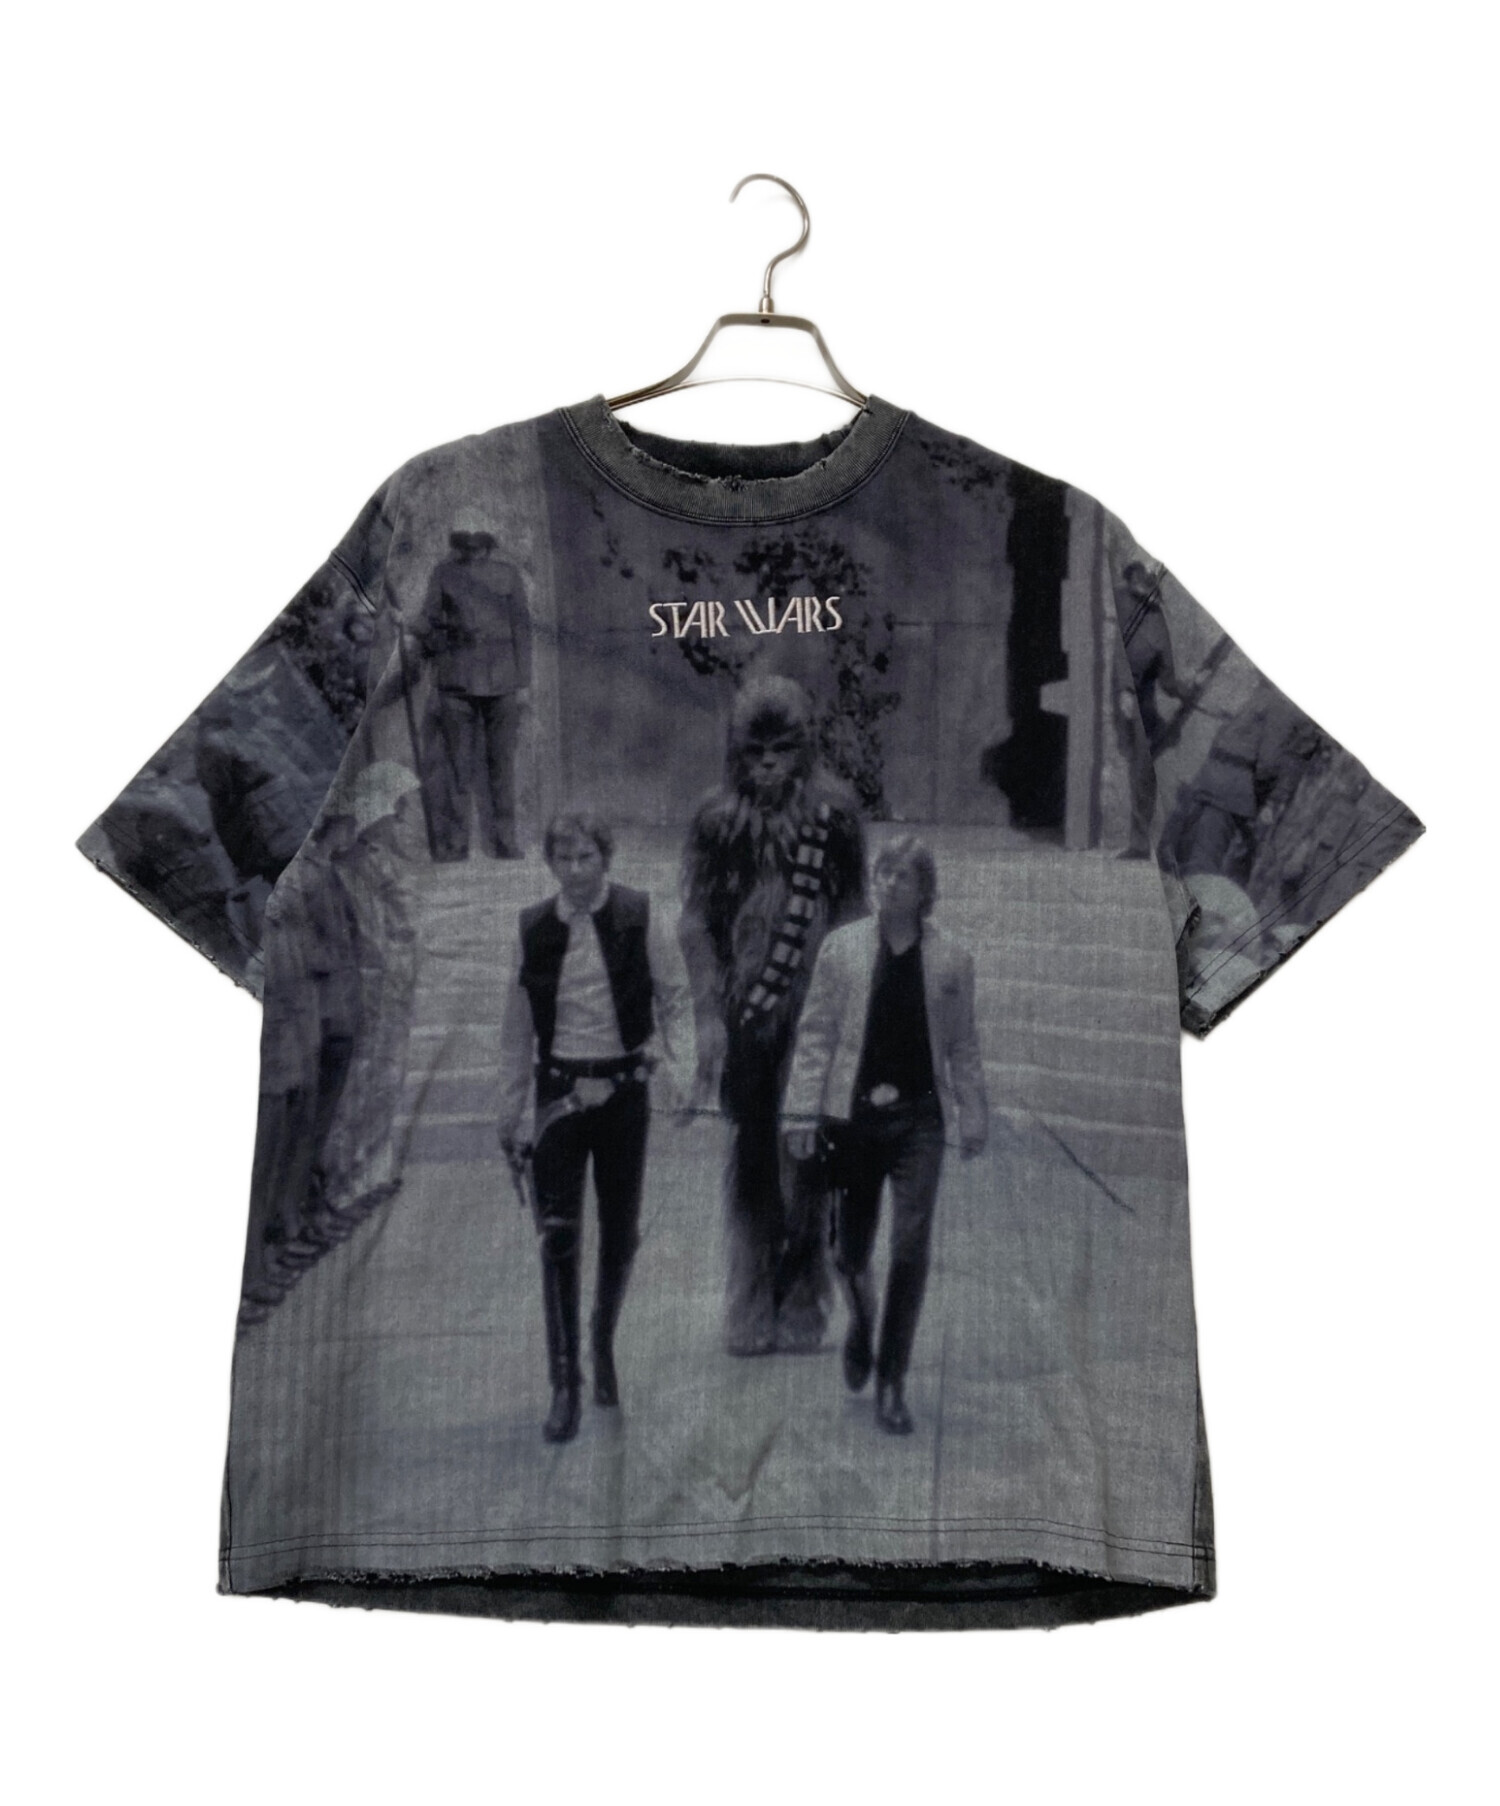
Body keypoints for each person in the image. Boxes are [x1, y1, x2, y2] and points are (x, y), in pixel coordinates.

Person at [678, 676, 866, 1357]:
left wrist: (855, 1015)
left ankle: (804, 1297)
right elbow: (696, 922)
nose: (766, 767)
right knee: (753, 1157)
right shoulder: (716, 820)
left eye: (780, 752)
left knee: (808, 1156)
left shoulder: (834, 816)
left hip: (815, 1012)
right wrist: (707, 1016)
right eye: (754, 753)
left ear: (803, 751)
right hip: (745, 1012)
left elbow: (854, 916)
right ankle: (751, 1296)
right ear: (735, 753)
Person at [498, 809, 694, 1443]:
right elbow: (516, 1028)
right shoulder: (531, 928)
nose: (576, 870)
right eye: (564, 858)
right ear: (551, 863)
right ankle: (565, 1383)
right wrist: (511, 1110)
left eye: (586, 857)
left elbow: (675, 998)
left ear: (605, 858)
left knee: (620, 1232)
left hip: (623, 1090)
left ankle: (602, 1340)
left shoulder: (643, 915)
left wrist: (679, 1068)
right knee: (557, 1236)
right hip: (558, 1093)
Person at [781, 836, 988, 1434]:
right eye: (882, 874)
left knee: (910, 1246)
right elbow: (816, 1034)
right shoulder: (842, 949)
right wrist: (801, 1113)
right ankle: (863, 1320)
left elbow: (962, 1044)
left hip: (919, 1120)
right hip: (852, 1119)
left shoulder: (952, 960)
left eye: (902, 877)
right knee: (849, 1251)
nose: (889, 884)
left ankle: (892, 1378)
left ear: (924, 891)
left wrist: (973, 1112)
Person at [413, 530, 533, 861]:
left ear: (488, 546)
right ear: (459, 546)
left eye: (479, 545)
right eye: (466, 545)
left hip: (503, 680)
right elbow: (428, 618)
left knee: (502, 765)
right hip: (457, 680)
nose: (473, 551)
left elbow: (522, 628)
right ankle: (456, 844)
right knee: (457, 769)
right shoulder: (444, 574)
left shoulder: (508, 575)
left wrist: (524, 683)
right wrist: (415, 628)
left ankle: (505, 840)